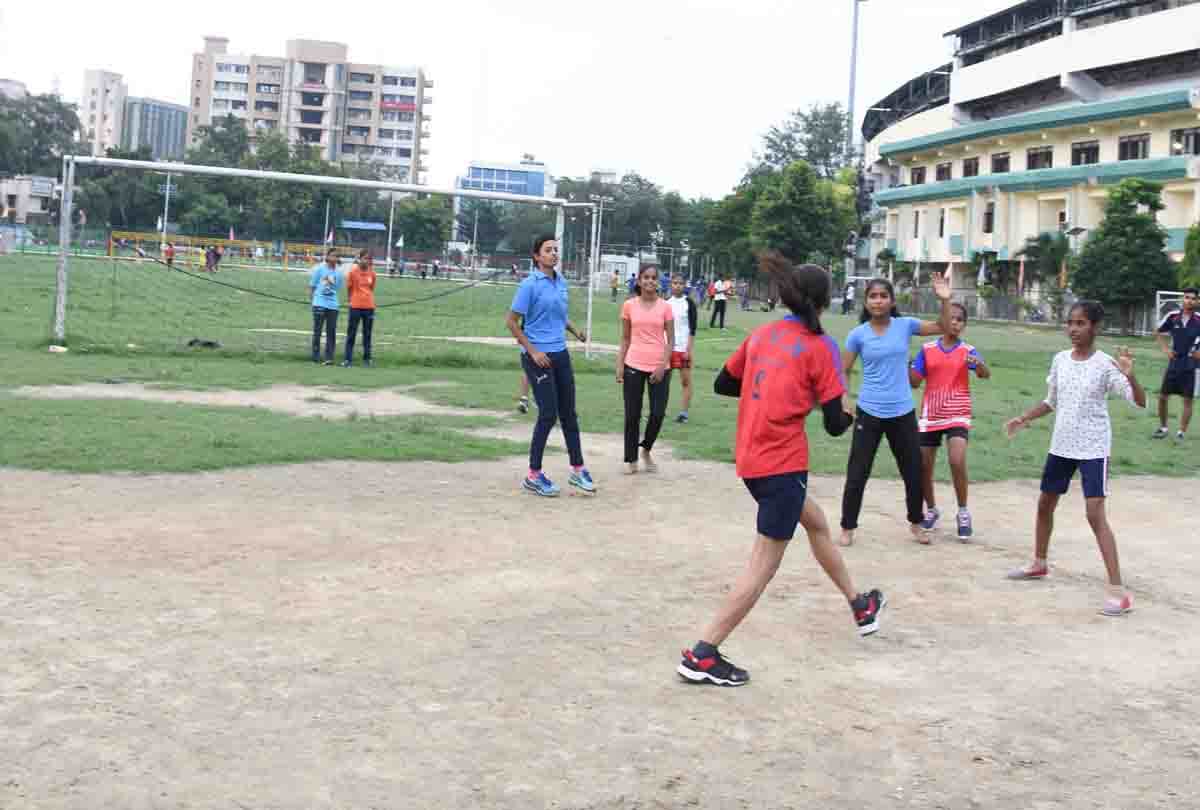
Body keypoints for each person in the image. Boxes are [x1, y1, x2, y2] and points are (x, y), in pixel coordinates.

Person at [676, 252, 886, 688]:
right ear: (824, 302)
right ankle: (703, 653)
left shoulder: (764, 334)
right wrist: (846, 411)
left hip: (753, 458)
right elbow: (834, 425)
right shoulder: (821, 346)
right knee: (762, 567)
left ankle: (859, 604)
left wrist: (777, 389)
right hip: (782, 464)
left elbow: (723, 383)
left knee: (817, 523)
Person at [1004, 301, 1146, 616]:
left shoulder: (1106, 364)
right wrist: (1024, 418)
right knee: (1045, 503)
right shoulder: (1060, 360)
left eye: (1080, 323)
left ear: (1095, 327)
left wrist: (1131, 377)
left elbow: (1139, 402)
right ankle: (1039, 563)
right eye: (1070, 322)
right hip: (1062, 445)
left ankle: (1118, 592)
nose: (1073, 329)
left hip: (1093, 447)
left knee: (1094, 514)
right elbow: (1051, 401)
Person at [839, 273, 953, 547]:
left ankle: (916, 523)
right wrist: (845, 398)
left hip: (902, 411)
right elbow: (844, 370)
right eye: (873, 296)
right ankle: (847, 526)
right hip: (869, 411)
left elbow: (943, 326)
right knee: (857, 472)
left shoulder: (905, 325)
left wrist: (945, 300)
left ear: (892, 301)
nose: (878, 301)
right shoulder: (858, 335)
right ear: (866, 302)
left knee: (913, 470)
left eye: (883, 296)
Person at [505, 234, 596, 497]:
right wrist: (533, 351)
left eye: (556, 249)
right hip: (538, 357)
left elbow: (559, 314)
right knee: (548, 413)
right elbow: (511, 322)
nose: (554, 253)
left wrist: (575, 331)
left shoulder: (561, 281)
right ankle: (533, 476)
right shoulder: (529, 285)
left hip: (560, 353)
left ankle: (578, 469)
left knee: (569, 413)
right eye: (548, 250)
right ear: (537, 256)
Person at [908, 302, 991, 540]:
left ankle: (963, 512)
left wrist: (980, 365)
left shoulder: (968, 350)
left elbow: (984, 374)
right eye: (950, 318)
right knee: (924, 467)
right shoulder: (927, 349)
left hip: (957, 412)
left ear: (964, 325)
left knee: (957, 460)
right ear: (942, 320)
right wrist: (908, 365)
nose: (954, 322)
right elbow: (914, 382)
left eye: (959, 319)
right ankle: (932, 509)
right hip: (931, 414)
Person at [617, 264, 675, 474]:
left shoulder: (665, 307)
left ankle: (646, 449)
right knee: (632, 414)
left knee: (658, 413)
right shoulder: (629, 305)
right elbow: (625, 338)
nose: (650, 281)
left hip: (660, 367)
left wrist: (662, 366)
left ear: (658, 282)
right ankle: (630, 459)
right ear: (639, 281)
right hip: (633, 364)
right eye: (646, 277)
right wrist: (620, 365)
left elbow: (671, 340)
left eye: (653, 278)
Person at [1152, 288, 1200, 440]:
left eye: (1193, 298)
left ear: (1197, 302)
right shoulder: (1173, 316)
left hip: (1192, 364)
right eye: (1187, 297)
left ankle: (1181, 433)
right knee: (1162, 397)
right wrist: (1166, 349)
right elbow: (1157, 331)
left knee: (1188, 400)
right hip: (1174, 362)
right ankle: (1163, 428)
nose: (1189, 301)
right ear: (1182, 299)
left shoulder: (1199, 319)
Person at [668, 273, 698, 424]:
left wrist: (688, 350)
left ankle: (684, 413)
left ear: (684, 285)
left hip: (683, 349)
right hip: (668, 349)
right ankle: (658, 410)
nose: (677, 286)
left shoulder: (689, 303)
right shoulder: (666, 303)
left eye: (680, 283)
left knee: (685, 382)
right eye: (675, 283)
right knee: (662, 382)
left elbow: (693, 329)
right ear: (671, 284)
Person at [342, 249, 376, 367]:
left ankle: (367, 359)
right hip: (355, 306)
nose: (367, 261)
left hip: (369, 307)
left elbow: (371, 288)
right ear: (359, 259)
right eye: (365, 258)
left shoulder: (372, 273)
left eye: (369, 259)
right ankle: (348, 359)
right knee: (351, 333)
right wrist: (352, 300)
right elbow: (349, 288)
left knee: (367, 334)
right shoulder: (352, 272)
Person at [309, 248, 343, 365]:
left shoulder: (339, 273)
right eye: (332, 255)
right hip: (319, 303)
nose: (334, 258)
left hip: (333, 305)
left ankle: (329, 357)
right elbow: (312, 286)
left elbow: (337, 288)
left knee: (331, 332)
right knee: (317, 331)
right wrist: (313, 301)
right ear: (327, 257)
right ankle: (315, 356)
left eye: (337, 256)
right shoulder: (319, 269)